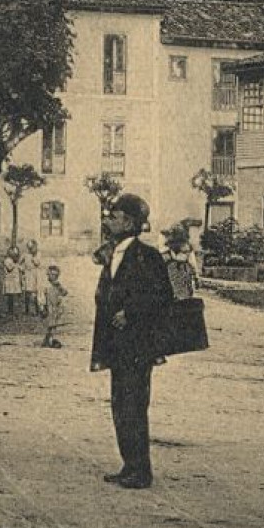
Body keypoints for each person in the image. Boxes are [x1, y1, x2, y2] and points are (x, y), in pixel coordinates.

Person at [90, 193, 174, 489]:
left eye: (114, 216)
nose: (108, 220)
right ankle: (130, 465)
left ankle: (140, 470)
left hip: (137, 344)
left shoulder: (147, 256)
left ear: (129, 222)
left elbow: (162, 297)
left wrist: (131, 313)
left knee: (134, 404)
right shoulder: (113, 253)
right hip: (115, 343)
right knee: (120, 403)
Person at [162, 225, 199, 301]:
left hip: (173, 275)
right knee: (184, 298)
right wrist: (196, 277)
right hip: (183, 274)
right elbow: (193, 264)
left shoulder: (167, 250)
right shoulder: (188, 249)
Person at [41, 264, 68, 348]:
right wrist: (42, 307)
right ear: (48, 275)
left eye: (55, 275)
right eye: (51, 275)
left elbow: (64, 293)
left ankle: (48, 340)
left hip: (56, 307)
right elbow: (41, 297)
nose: (53, 277)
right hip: (48, 307)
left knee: (53, 325)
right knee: (50, 325)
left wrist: (59, 286)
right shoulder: (45, 285)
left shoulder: (57, 285)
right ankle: (49, 340)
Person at [2, 242, 26, 315]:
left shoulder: (15, 262)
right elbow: (9, 268)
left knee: (14, 294)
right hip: (9, 280)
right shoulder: (7, 260)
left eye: (16, 255)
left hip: (14, 281)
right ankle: (10, 310)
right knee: (10, 295)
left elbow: (21, 269)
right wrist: (15, 264)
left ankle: (14, 310)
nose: (16, 256)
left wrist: (21, 266)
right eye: (14, 255)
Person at [22, 240, 42, 316]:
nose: (31, 249)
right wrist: (22, 269)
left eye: (33, 247)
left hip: (35, 274)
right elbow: (20, 262)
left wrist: (33, 257)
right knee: (27, 292)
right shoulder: (25, 254)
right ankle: (27, 310)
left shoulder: (38, 254)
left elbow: (37, 263)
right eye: (30, 248)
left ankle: (36, 310)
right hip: (28, 275)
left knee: (35, 292)